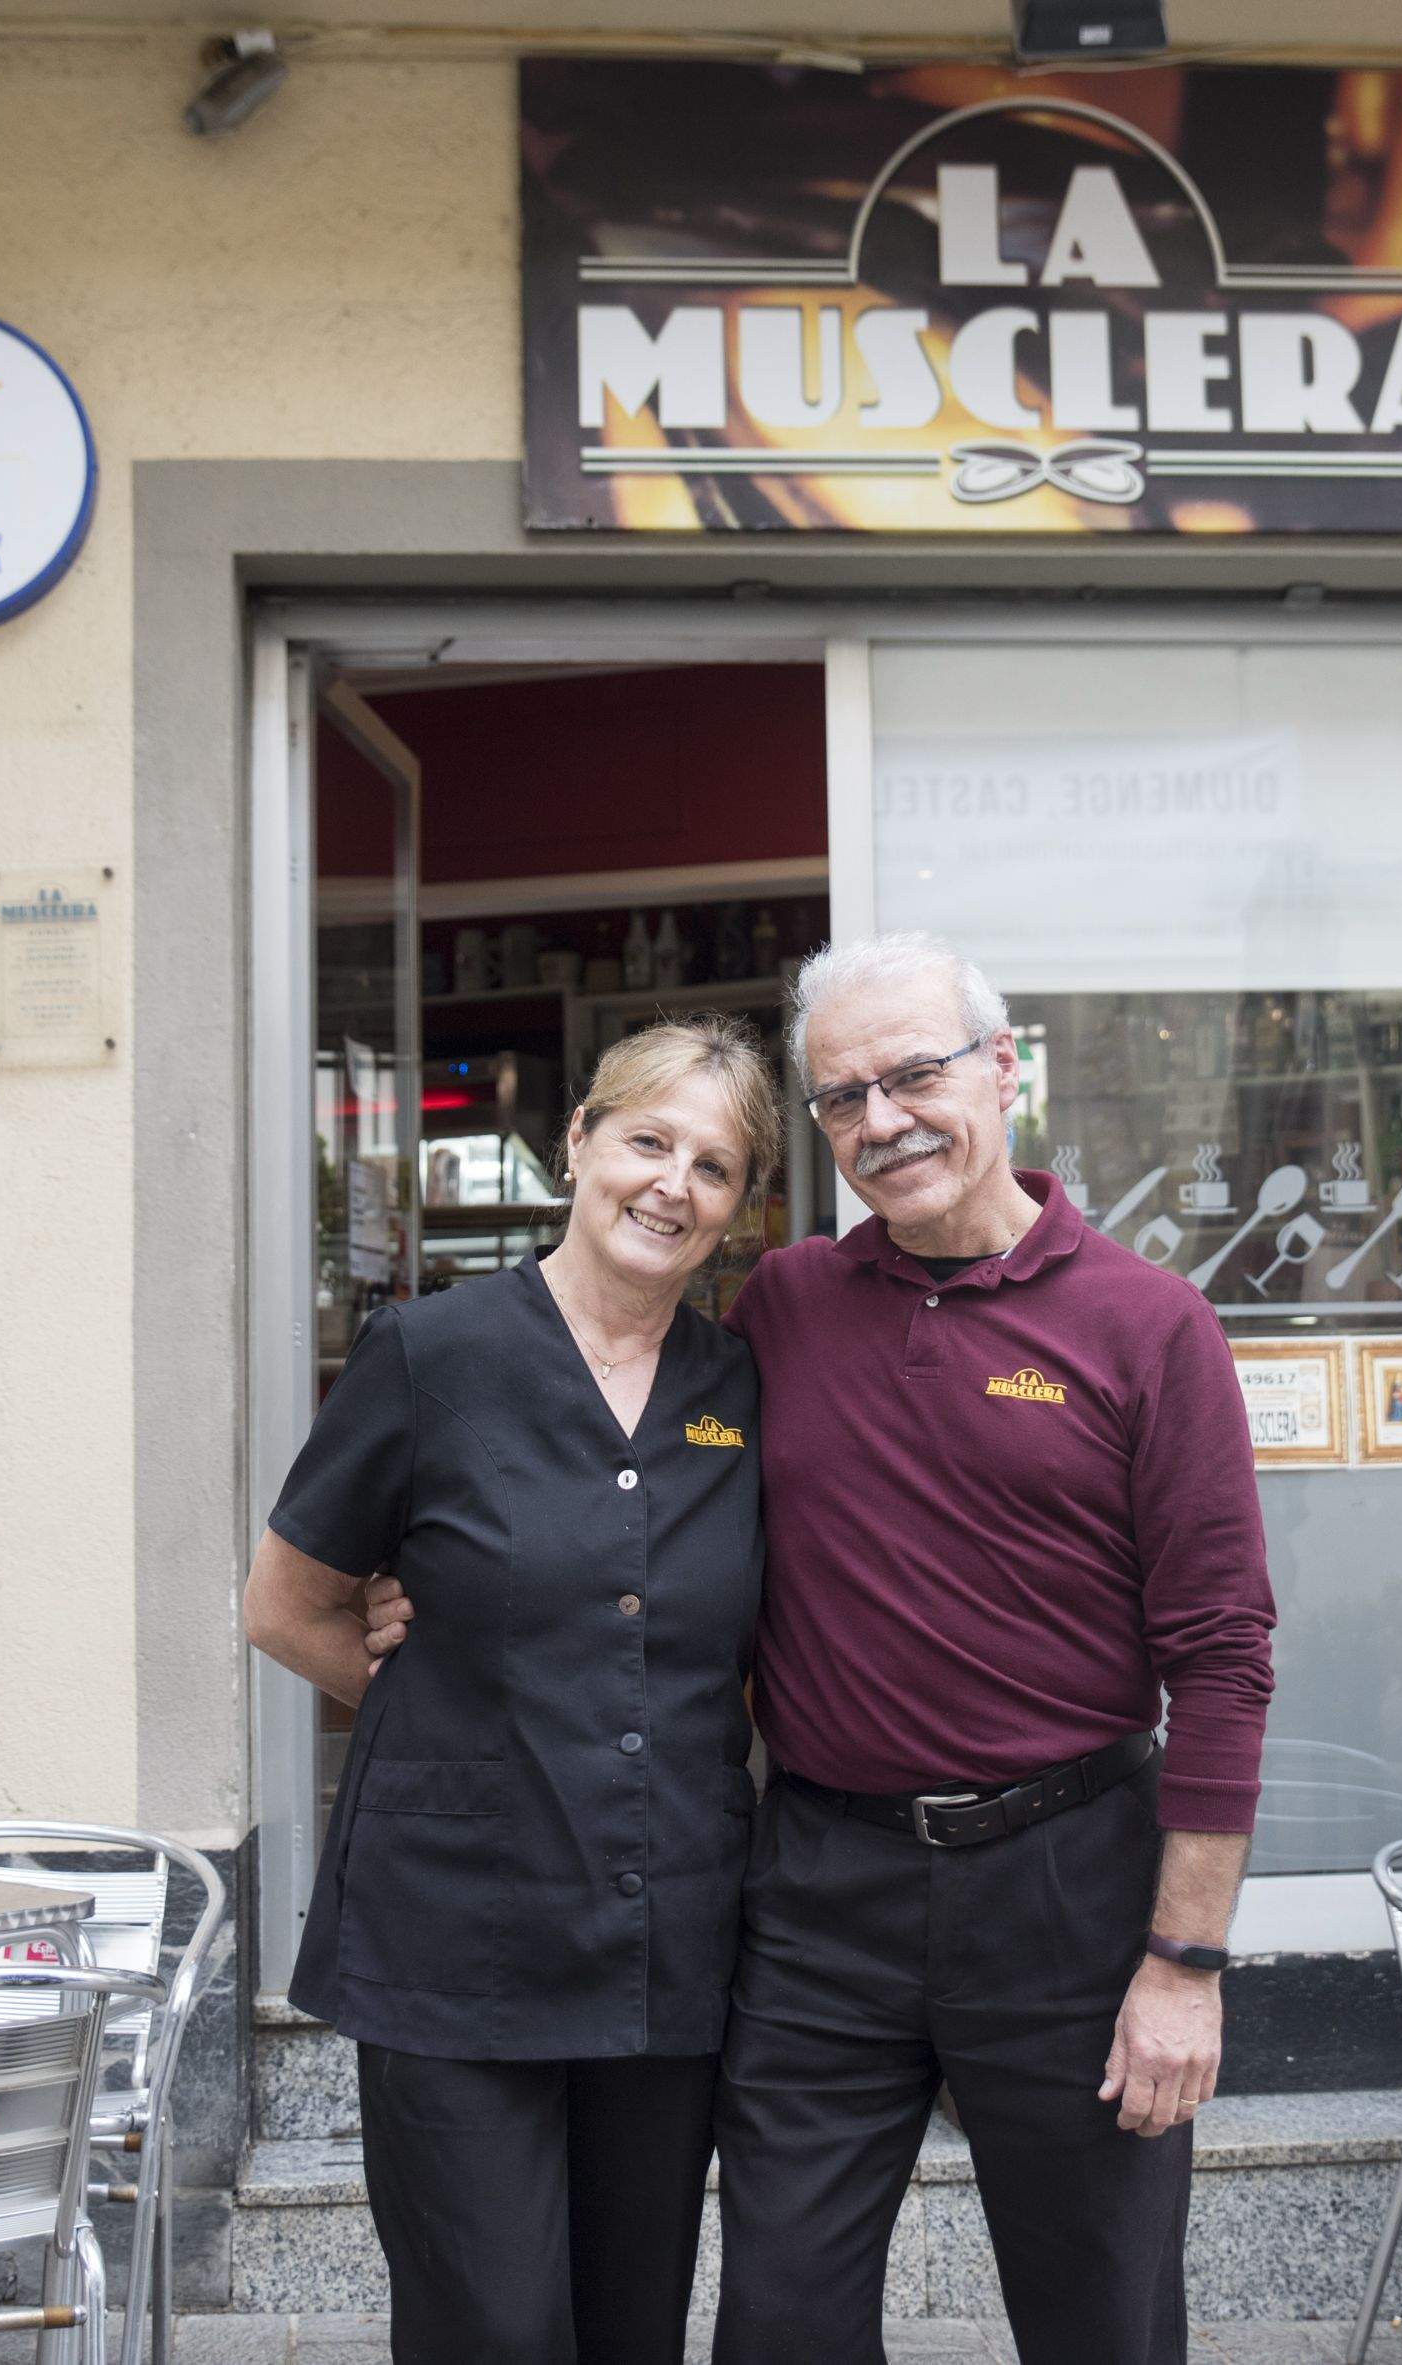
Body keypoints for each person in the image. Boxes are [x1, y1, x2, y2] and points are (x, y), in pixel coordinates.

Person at [370, 933, 1277, 2365]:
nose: (884, 1120)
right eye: (845, 1097)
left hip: (1064, 1892)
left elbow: (1225, 1656)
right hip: (817, 1896)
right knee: (777, 2324)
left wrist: (1186, 1956)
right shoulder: (782, 1309)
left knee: (1100, 2317)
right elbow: (639, 1503)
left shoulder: (1149, 1326)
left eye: (915, 1074)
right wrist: (443, 1618)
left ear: (999, 1068)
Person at [242, 1015, 783, 2365]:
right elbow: (283, 1604)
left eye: (713, 1166)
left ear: (736, 1207)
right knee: (495, 2326)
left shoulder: (741, 1389)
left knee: (631, 2327)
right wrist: (438, 1699)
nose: (673, 1182)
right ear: (578, 1143)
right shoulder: (431, 1355)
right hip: (454, 1935)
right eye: (649, 1139)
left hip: (664, 1937)